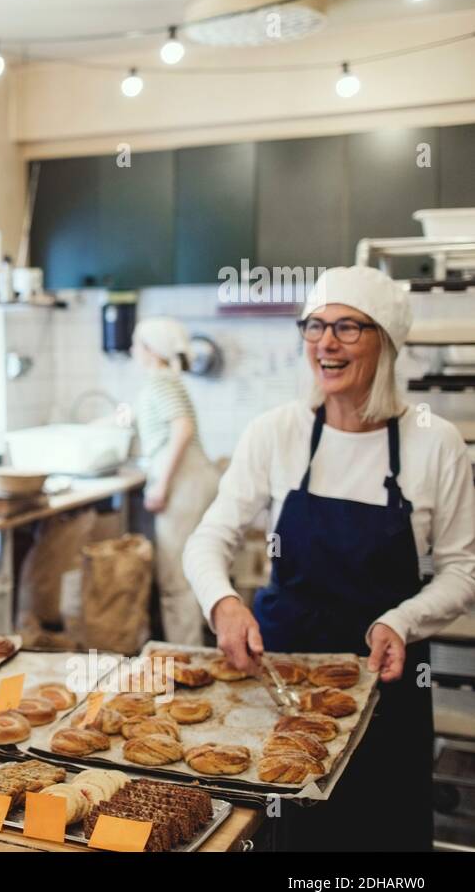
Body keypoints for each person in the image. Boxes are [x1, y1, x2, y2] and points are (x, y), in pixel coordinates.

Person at [184, 266, 475, 851]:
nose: (325, 341)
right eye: (314, 326)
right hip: (281, 680)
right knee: (289, 840)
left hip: (384, 680)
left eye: (347, 327)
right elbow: (209, 536)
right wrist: (223, 603)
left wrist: (402, 620)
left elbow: (464, 569)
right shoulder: (277, 432)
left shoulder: (433, 441)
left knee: (377, 841)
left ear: (386, 342)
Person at [131, 317, 219, 646]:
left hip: (184, 485)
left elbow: (182, 429)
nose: (131, 350)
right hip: (196, 480)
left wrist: (160, 485)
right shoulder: (168, 380)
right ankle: (198, 653)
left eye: (137, 344)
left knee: (176, 581)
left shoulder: (160, 383)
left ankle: (186, 660)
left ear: (152, 350)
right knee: (195, 572)